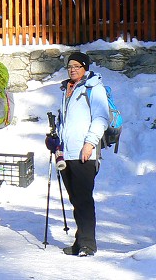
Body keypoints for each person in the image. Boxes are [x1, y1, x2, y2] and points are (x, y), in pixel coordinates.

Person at [46, 51, 110, 258]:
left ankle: (88, 245)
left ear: (85, 68)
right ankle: (80, 240)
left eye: (77, 66)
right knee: (75, 199)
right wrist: (56, 142)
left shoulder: (94, 88)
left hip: (84, 152)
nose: (72, 69)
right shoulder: (67, 88)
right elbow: (66, 121)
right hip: (66, 152)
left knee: (83, 199)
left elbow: (101, 118)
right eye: (70, 66)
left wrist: (90, 143)